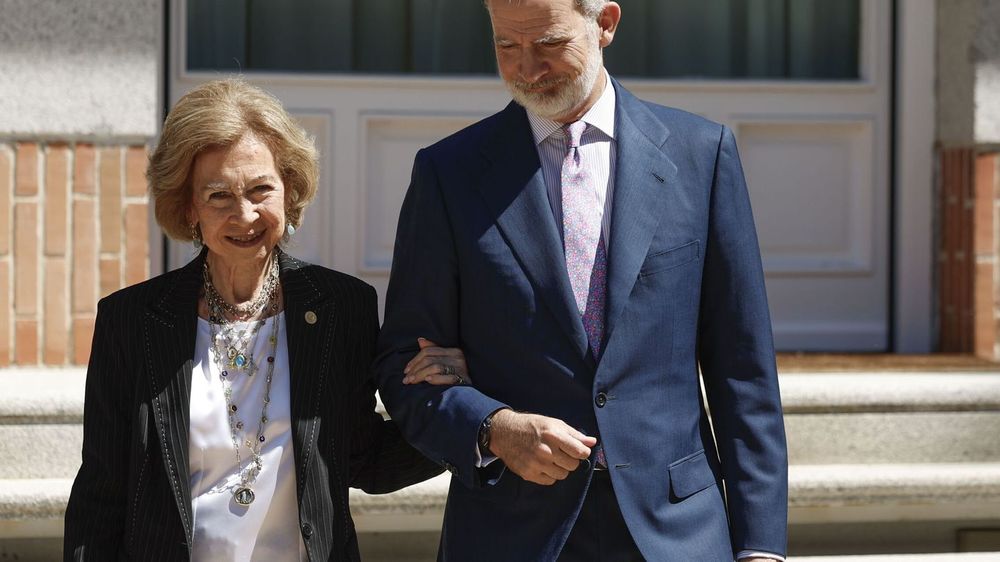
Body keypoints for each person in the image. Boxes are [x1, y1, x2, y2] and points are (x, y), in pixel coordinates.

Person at [374, 0, 788, 560]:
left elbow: (743, 367)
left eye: (549, 44)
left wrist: (760, 546)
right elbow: (405, 363)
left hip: (675, 530)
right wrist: (493, 428)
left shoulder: (702, 154)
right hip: (511, 529)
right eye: (506, 46)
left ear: (605, 24)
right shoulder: (448, 173)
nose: (527, 68)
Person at [64, 79, 466, 561]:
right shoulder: (131, 321)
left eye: (261, 189)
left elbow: (363, 458)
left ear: (289, 191)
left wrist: (462, 404)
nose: (245, 214)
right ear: (188, 207)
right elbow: (101, 494)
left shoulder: (341, 307)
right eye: (218, 196)